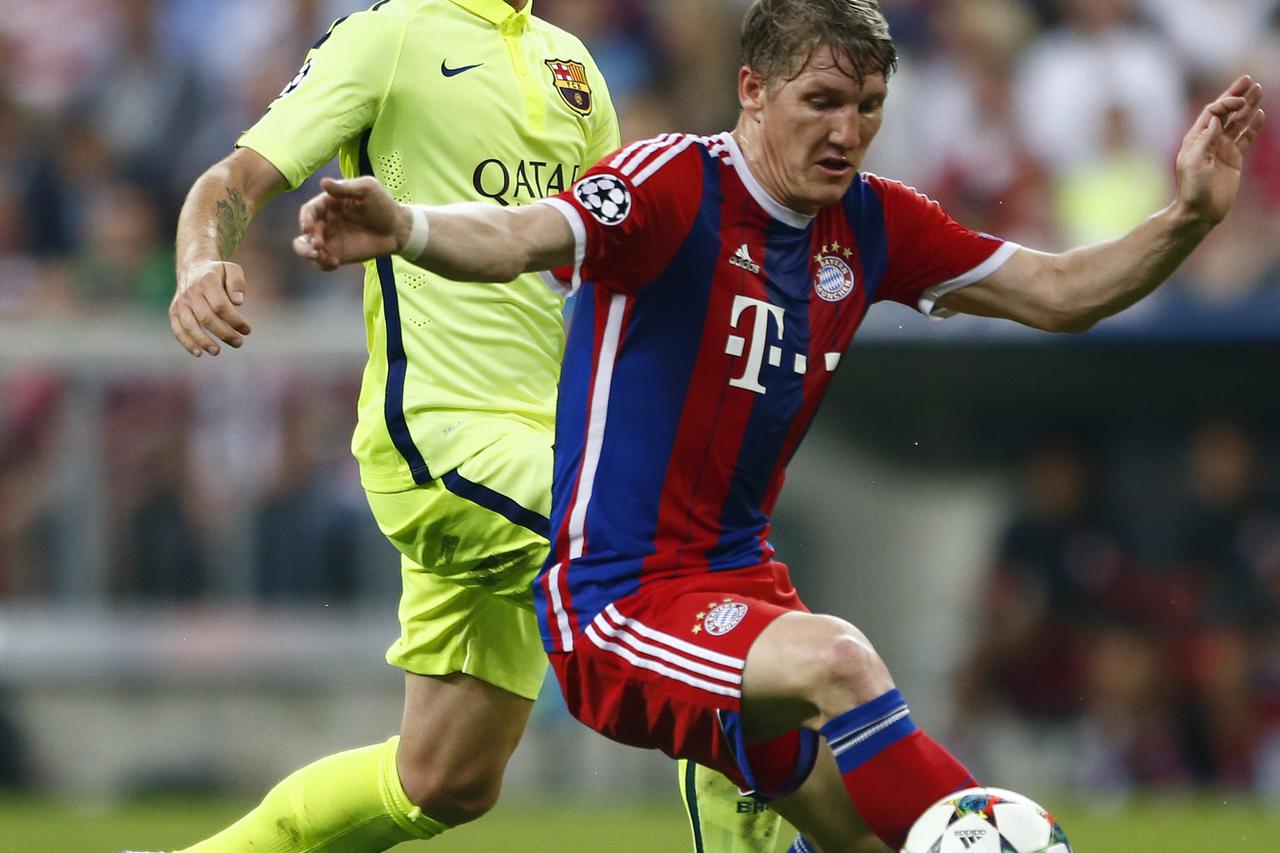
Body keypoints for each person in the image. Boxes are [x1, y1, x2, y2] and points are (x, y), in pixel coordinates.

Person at [291, 0, 1265, 848]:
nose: (847, 132)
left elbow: (1056, 293)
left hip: (740, 588)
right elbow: (518, 235)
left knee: (858, 835)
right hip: (619, 599)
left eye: (868, 108)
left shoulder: (873, 224)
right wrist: (408, 226)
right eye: (822, 103)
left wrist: (1183, 217)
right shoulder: (668, 184)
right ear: (752, 90)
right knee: (836, 658)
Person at [162, 0, 774, 851]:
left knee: (444, 779)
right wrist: (201, 263)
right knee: (704, 600)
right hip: (445, 440)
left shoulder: (574, 65)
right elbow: (232, 181)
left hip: (552, 449)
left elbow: (611, 249)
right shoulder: (390, 34)